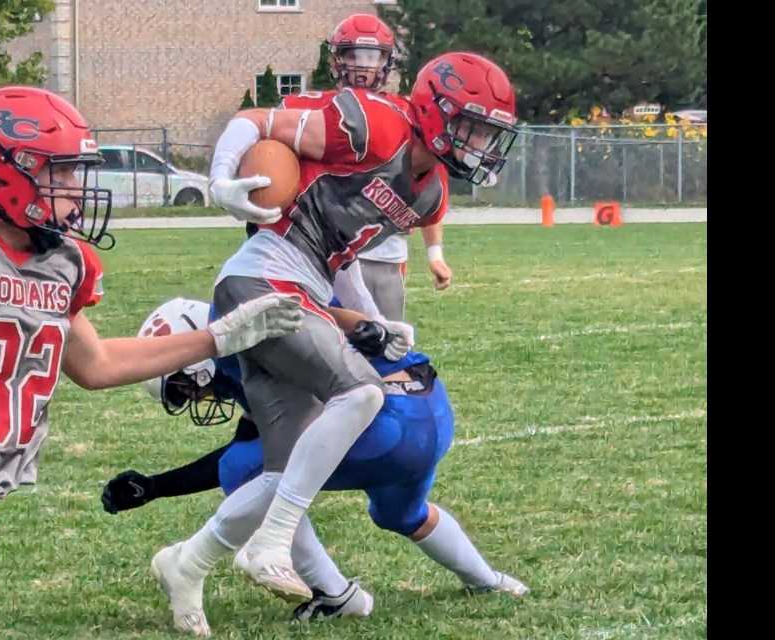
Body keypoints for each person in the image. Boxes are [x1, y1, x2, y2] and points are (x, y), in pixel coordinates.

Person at [0, 85, 305, 640]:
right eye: (59, 172)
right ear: (3, 170)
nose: (76, 189)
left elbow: (97, 363)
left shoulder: (61, 264)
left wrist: (216, 339)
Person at [201, 50, 519, 603]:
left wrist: (371, 316)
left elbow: (341, 250)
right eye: (471, 127)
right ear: (436, 111)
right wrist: (221, 179)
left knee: (285, 460)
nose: (480, 144)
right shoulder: (372, 123)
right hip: (265, 276)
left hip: (307, 286)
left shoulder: (429, 191)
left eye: (488, 134)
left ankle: (192, 563)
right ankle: (272, 542)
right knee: (362, 393)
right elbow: (254, 120)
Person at [101, 298, 528, 635]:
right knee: (400, 513)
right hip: (429, 412)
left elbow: (252, 458)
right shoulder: (251, 328)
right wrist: (155, 486)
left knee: (246, 470)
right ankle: (488, 580)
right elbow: (253, 440)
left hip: (390, 423)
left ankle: (332, 593)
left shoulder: (248, 346)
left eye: (183, 386)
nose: (194, 398)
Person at [244, 12, 454, 321]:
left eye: (373, 55)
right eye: (353, 54)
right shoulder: (311, 105)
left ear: (387, 61)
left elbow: (428, 187)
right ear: (336, 59)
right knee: (323, 341)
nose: (363, 65)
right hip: (318, 250)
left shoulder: (406, 116)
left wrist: (435, 253)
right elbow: (265, 146)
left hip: (383, 255)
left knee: (385, 346)